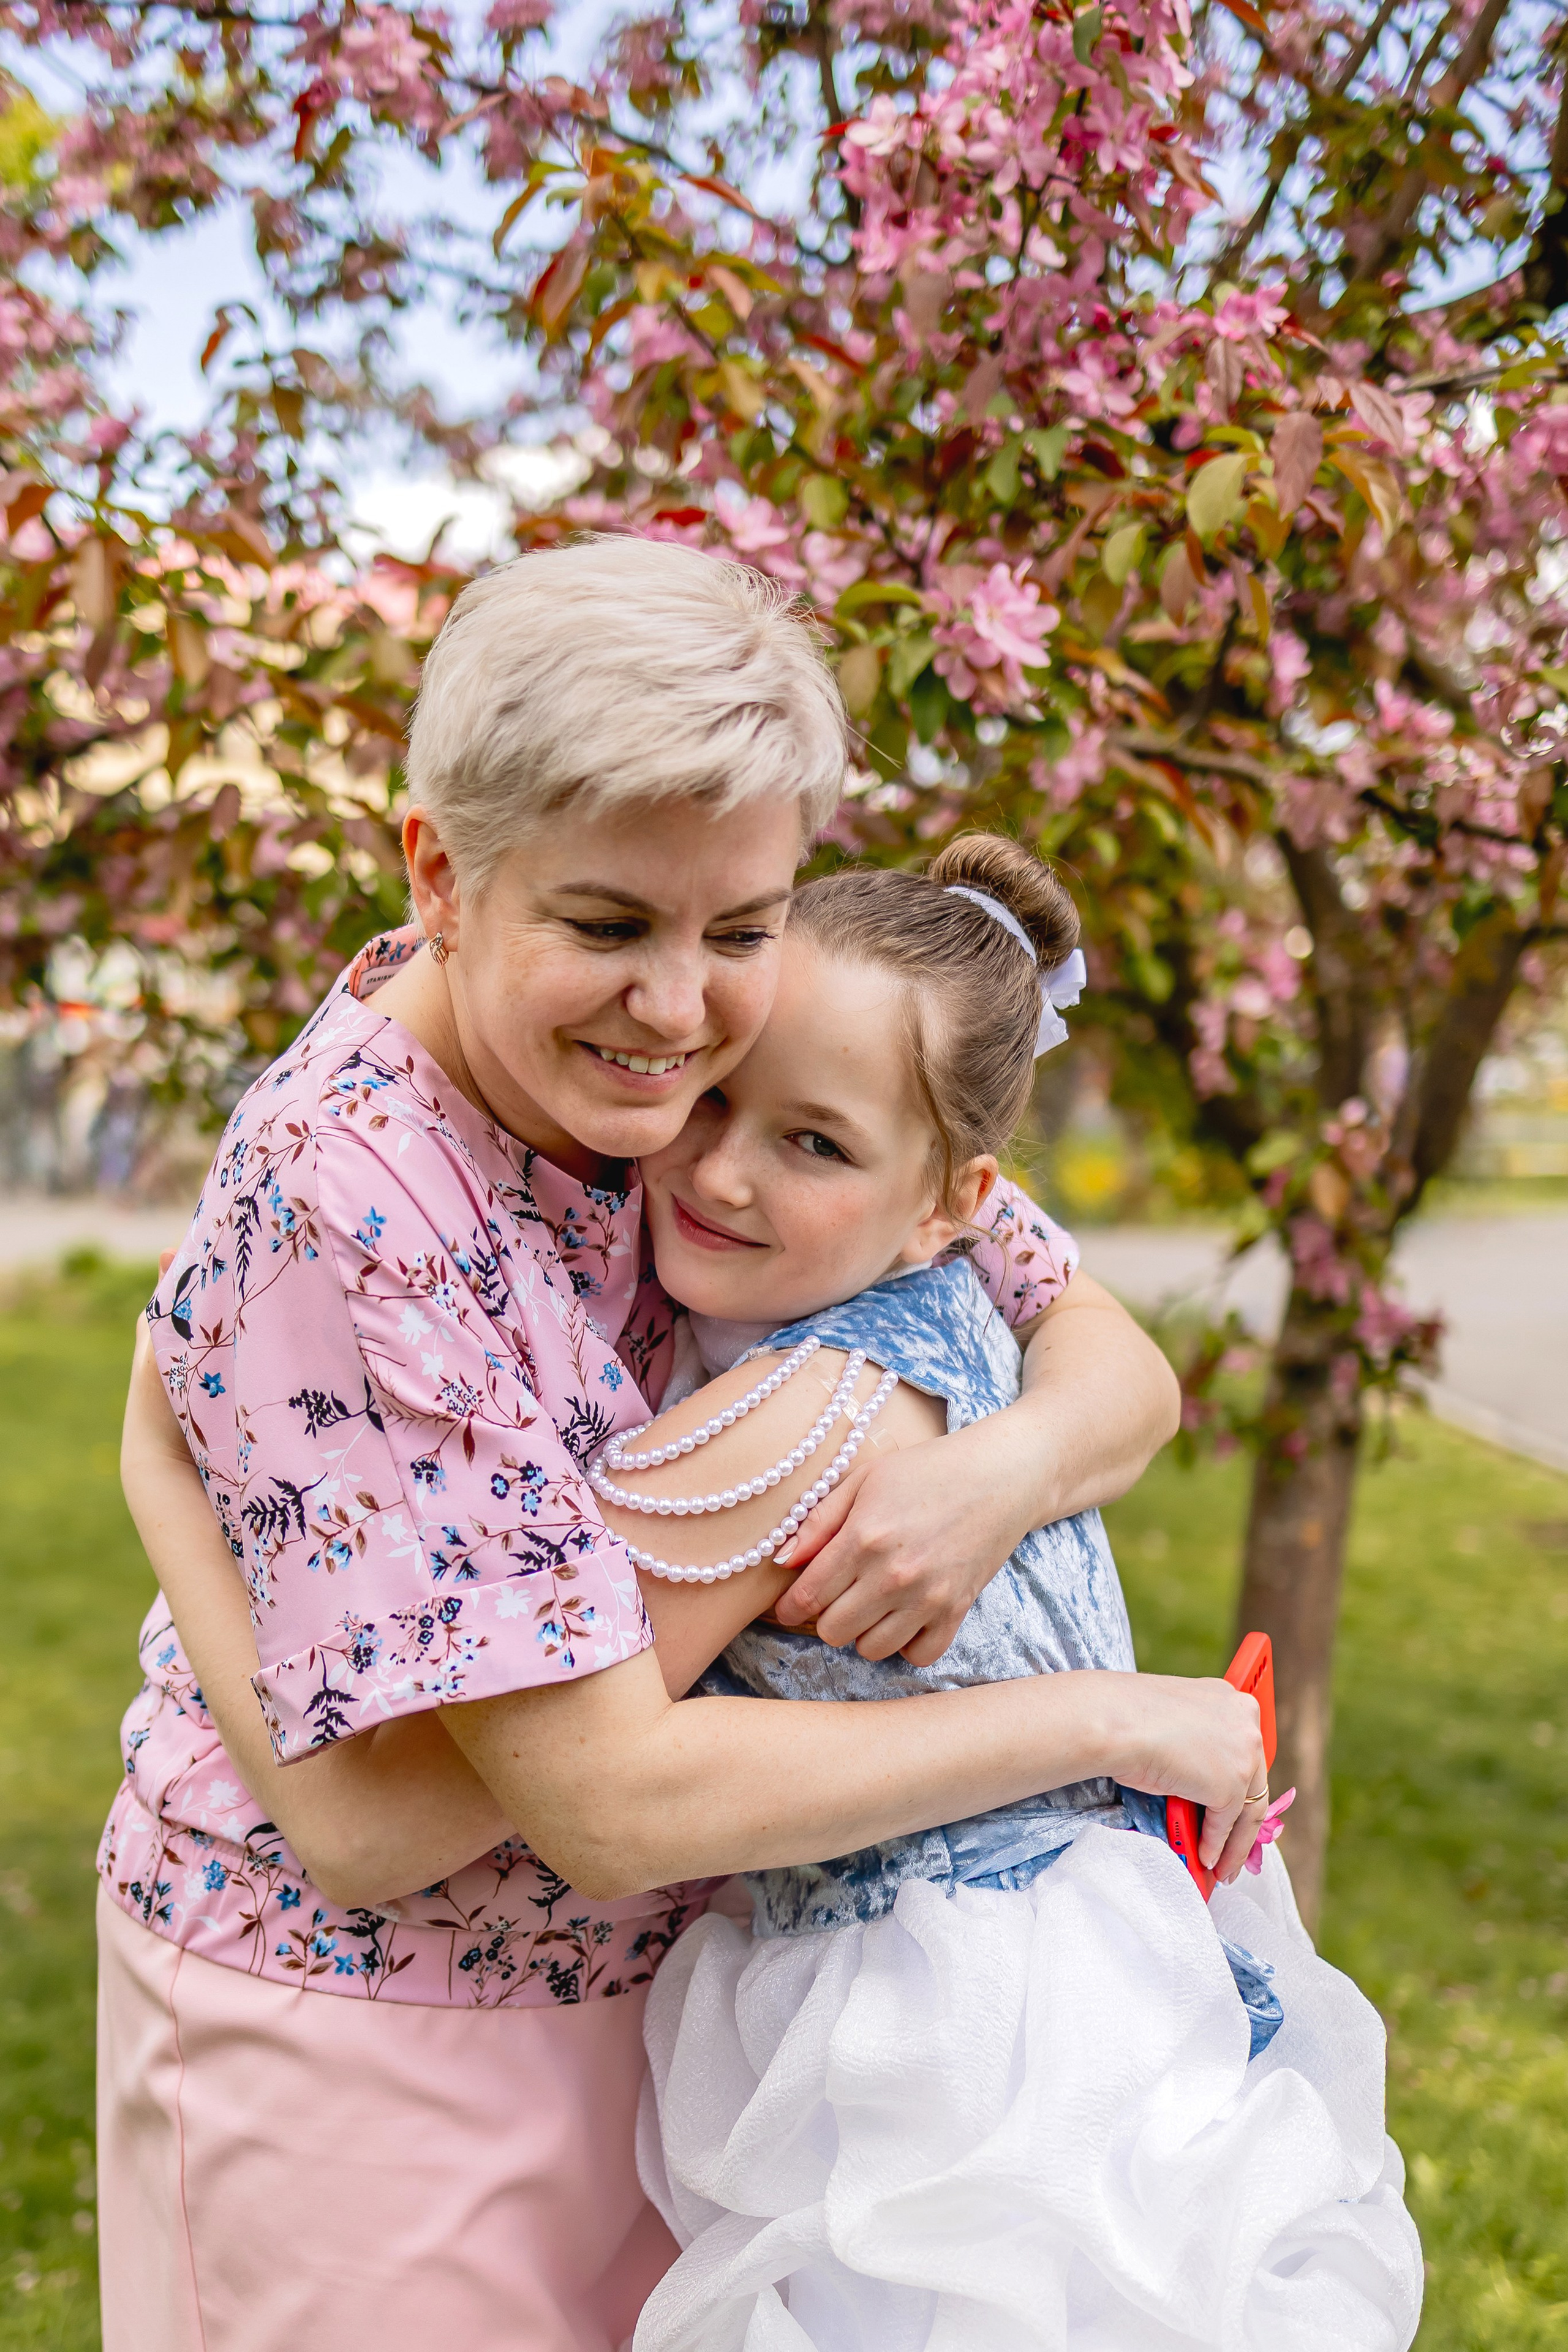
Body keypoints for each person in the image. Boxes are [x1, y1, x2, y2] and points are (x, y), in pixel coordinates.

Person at [107, 539, 1264, 2352]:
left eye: (739, 927)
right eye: (609, 927)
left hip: (669, 2000)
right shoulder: (371, 1205)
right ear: (442, 874)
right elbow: (520, 1812)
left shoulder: (726, 1083)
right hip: (372, 2026)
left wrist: (999, 1472)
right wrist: (1118, 1723)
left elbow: (1092, 1340)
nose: (677, 1010)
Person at [565, 838, 1422, 2351]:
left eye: (812, 1144)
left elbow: (546, 1718)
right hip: (1092, 1952)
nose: (717, 1169)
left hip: (947, 2017)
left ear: (946, 1201)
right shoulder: (952, 1292)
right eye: (709, 1100)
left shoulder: (788, 1421)